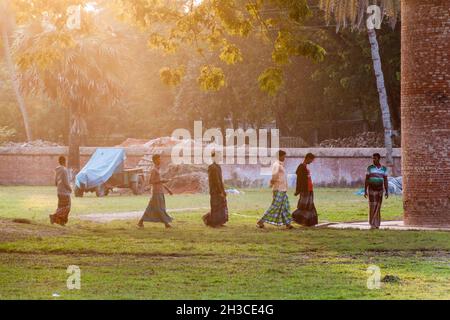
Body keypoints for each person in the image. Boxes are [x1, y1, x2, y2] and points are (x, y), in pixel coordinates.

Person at [257, 150, 293, 229]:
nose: (284, 158)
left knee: (285, 207)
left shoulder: (280, 165)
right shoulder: (276, 165)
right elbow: (274, 176)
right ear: (279, 156)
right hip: (279, 189)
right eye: (284, 156)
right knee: (275, 206)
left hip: (283, 189)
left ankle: (288, 224)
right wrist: (271, 184)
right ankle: (261, 221)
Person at [138, 154, 173, 228]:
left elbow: (160, 182)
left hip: (160, 191)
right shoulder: (154, 170)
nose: (160, 160)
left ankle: (140, 222)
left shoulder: (157, 170)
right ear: (154, 160)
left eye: (160, 159)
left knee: (152, 208)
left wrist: (168, 189)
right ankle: (166, 223)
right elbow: (151, 181)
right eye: (159, 159)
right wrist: (162, 180)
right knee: (160, 208)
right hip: (156, 192)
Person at [202, 151, 228, 227]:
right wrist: (220, 191)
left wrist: (223, 190)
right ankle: (211, 221)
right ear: (213, 157)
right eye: (218, 156)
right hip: (214, 190)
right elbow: (214, 181)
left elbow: (220, 180)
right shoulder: (211, 167)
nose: (220, 158)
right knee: (215, 206)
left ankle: (219, 221)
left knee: (221, 205)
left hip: (219, 189)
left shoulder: (218, 167)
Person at [292, 153, 318, 226]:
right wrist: (298, 190)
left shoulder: (305, 167)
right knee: (303, 206)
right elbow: (299, 180)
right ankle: (293, 217)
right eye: (311, 160)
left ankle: (308, 222)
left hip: (309, 190)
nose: (312, 161)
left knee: (309, 206)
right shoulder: (301, 167)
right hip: (305, 190)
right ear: (308, 158)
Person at [364, 153, 389, 229]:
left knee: (378, 207)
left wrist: (387, 191)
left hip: (380, 190)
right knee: (372, 206)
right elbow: (367, 179)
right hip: (371, 189)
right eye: (373, 158)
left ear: (378, 159)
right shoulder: (370, 168)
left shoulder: (384, 169)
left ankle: (377, 224)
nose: (373, 160)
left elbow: (385, 180)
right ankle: (372, 224)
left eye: (375, 158)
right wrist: (365, 190)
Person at [49, 156, 72, 226]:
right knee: (67, 207)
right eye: (66, 161)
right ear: (64, 161)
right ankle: (53, 216)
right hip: (65, 193)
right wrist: (70, 189)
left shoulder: (57, 170)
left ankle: (61, 221)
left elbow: (56, 182)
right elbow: (66, 182)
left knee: (61, 207)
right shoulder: (64, 170)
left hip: (59, 192)